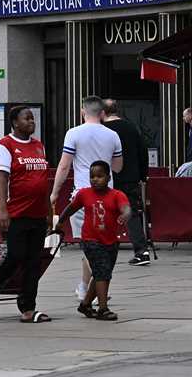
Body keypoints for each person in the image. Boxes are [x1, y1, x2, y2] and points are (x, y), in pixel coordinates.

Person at [0, 106, 52, 323]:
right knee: (15, 255)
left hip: (37, 213)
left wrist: (49, 211)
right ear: (14, 123)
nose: (32, 122)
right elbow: (1, 179)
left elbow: (42, 182)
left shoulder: (39, 147)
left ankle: (28, 308)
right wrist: (2, 210)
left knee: (33, 261)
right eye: (26, 118)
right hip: (16, 213)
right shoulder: (5, 145)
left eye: (32, 118)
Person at [50, 96, 123, 305]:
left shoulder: (73, 134)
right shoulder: (112, 135)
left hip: (82, 195)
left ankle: (94, 287)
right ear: (102, 113)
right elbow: (117, 166)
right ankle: (85, 287)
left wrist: (55, 192)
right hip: (108, 198)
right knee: (99, 245)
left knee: (88, 244)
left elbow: (64, 166)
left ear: (83, 112)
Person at [59, 160, 131, 321]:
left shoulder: (116, 195)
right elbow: (71, 208)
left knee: (101, 273)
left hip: (110, 241)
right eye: (92, 176)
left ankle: (85, 305)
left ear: (108, 177)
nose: (95, 179)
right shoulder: (84, 194)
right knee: (102, 273)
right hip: (91, 241)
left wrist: (125, 215)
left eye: (99, 176)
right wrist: (60, 222)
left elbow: (126, 208)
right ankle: (103, 309)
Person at [102, 99, 151, 265]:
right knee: (131, 214)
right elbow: (142, 151)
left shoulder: (102, 130)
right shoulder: (131, 127)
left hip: (106, 178)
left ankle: (104, 249)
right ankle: (141, 251)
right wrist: (143, 175)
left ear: (102, 112)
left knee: (105, 212)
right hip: (130, 177)